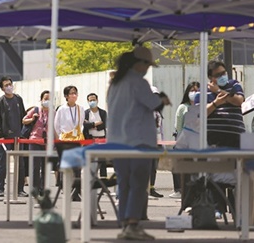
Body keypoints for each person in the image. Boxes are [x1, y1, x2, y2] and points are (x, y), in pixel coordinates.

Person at [107, 46, 170, 240]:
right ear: (139, 63)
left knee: (124, 183)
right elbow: (155, 104)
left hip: (118, 142)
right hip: (138, 142)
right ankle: (133, 224)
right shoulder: (138, 82)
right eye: (147, 65)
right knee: (138, 184)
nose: (148, 69)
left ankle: (125, 223)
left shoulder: (114, 84)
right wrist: (163, 99)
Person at [0, 76, 27, 198]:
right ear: (2, 88)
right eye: (6, 85)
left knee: (20, 163)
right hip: (5, 137)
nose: (9, 87)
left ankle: (20, 189)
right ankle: (1, 188)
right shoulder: (0, 101)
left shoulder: (18, 99)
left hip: (18, 136)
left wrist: (24, 132)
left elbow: (23, 116)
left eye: (10, 84)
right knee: (2, 163)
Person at [169, 81, 199, 198]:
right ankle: (179, 189)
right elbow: (179, 126)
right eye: (192, 90)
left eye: (196, 90)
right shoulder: (183, 107)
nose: (194, 93)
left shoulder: (204, 106)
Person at [206, 60, 245, 148]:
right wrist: (215, 103)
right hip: (213, 139)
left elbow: (239, 101)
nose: (222, 76)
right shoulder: (203, 91)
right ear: (210, 77)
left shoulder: (234, 84)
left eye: (223, 73)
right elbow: (199, 114)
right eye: (218, 75)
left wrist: (219, 91)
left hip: (236, 138)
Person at [22, 91, 49, 195]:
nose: (48, 101)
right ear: (41, 99)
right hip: (34, 140)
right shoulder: (35, 110)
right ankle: (35, 189)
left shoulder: (53, 112)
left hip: (47, 142)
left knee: (46, 166)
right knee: (35, 166)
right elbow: (24, 120)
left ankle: (43, 189)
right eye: (46, 98)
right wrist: (32, 118)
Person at [83, 93, 108, 177]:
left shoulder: (103, 112)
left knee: (102, 159)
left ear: (97, 100)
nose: (92, 101)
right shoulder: (86, 113)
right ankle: (92, 177)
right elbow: (85, 125)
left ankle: (103, 177)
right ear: (88, 101)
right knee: (91, 160)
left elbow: (105, 124)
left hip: (102, 139)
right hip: (90, 139)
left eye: (94, 100)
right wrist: (95, 124)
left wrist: (93, 126)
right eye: (90, 100)